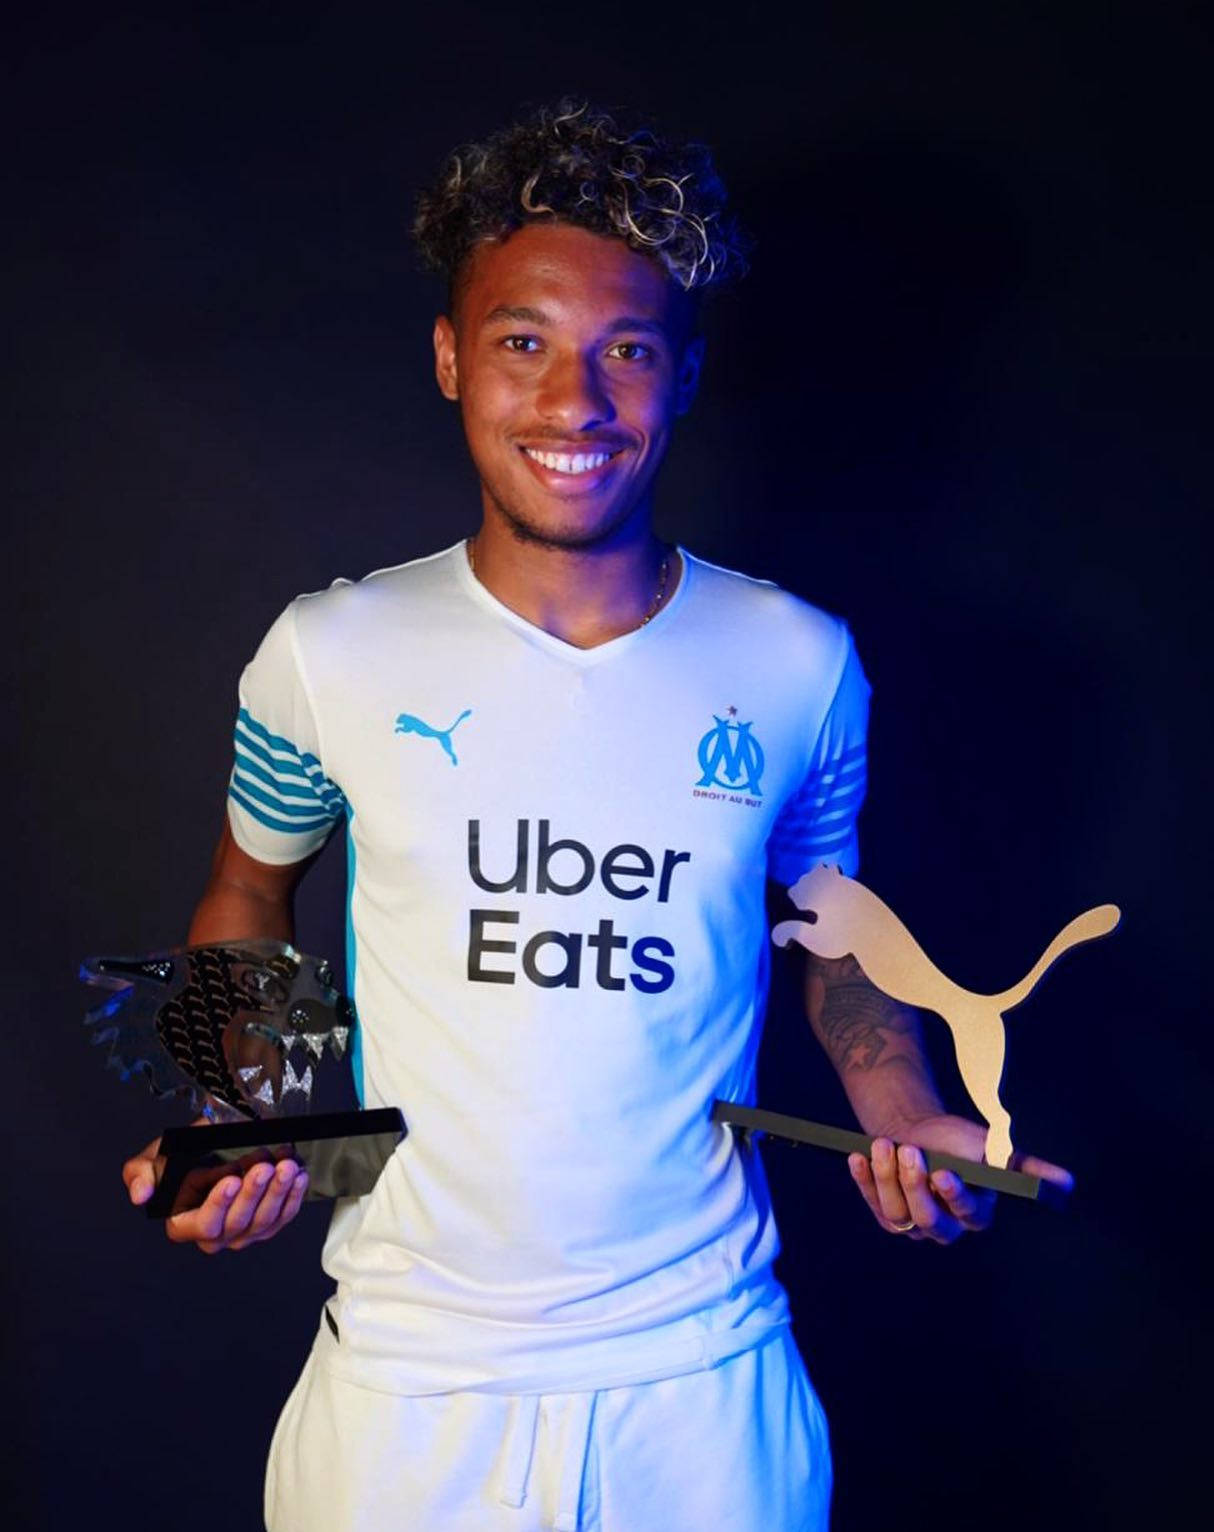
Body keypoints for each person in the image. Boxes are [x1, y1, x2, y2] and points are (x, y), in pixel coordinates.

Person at [122, 102, 1069, 1531]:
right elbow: (250, 889)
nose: (575, 403)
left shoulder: (798, 663)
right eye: (522, 341)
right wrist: (234, 1112)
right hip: (404, 1390)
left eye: (624, 349)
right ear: (451, 359)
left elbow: (834, 941)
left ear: (682, 378)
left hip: (701, 1385)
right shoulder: (333, 650)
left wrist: (904, 1106)